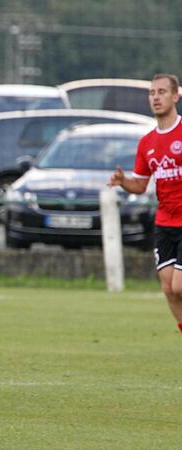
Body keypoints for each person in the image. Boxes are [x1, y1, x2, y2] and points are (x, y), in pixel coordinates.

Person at [109, 73, 182, 333]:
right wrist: (123, 181)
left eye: (162, 92)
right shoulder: (147, 143)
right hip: (164, 223)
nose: (156, 97)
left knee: (179, 286)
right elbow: (140, 186)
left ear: (175, 96)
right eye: (152, 93)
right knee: (168, 289)